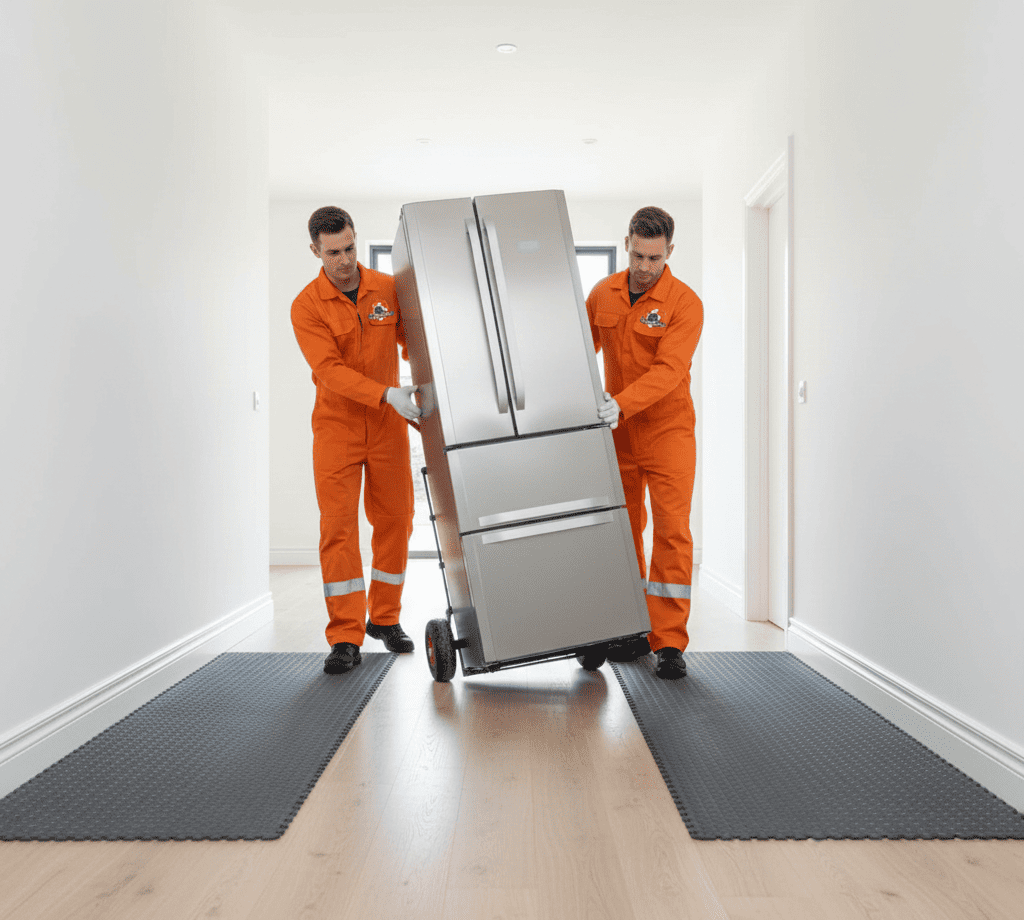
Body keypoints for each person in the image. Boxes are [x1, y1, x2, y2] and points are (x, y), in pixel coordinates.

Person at [291, 206, 422, 674]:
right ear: (315, 251)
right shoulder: (307, 306)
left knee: (398, 520)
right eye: (333, 252)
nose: (344, 260)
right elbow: (329, 371)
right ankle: (345, 635)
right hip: (338, 429)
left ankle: (384, 618)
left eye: (349, 248)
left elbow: (415, 344)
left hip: (387, 427)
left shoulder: (388, 289)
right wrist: (387, 393)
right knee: (339, 530)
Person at [586, 206, 703, 679]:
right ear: (627, 243)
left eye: (654, 258)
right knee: (624, 529)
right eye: (637, 255)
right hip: (618, 432)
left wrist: (620, 403)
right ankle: (630, 628)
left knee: (671, 533)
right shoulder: (603, 294)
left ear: (669, 251)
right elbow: (576, 349)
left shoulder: (684, 303)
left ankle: (669, 641)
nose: (643, 267)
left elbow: (669, 370)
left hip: (668, 431)